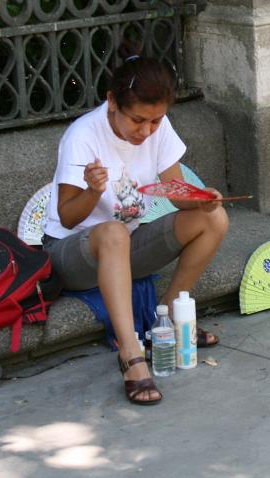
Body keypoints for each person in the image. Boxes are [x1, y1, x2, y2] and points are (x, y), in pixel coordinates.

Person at [42, 43, 229, 406]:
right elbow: (66, 216)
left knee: (214, 219)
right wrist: (94, 192)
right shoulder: (83, 135)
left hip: (125, 243)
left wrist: (201, 199)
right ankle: (131, 356)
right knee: (112, 231)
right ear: (112, 102)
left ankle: (173, 318)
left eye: (155, 121)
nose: (146, 131)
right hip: (72, 255)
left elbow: (175, 192)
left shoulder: (157, 127)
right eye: (137, 121)